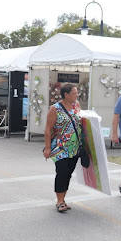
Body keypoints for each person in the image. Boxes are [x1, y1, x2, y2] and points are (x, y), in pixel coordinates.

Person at [43, 84, 82, 213]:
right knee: (62, 172)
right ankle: (59, 201)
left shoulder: (76, 105)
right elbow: (48, 130)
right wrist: (47, 148)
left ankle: (63, 199)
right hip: (60, 147)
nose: (77, 95)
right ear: (66, 94)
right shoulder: (55, 109)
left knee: (68, 173)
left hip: (74, 147)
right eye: (74, 93)